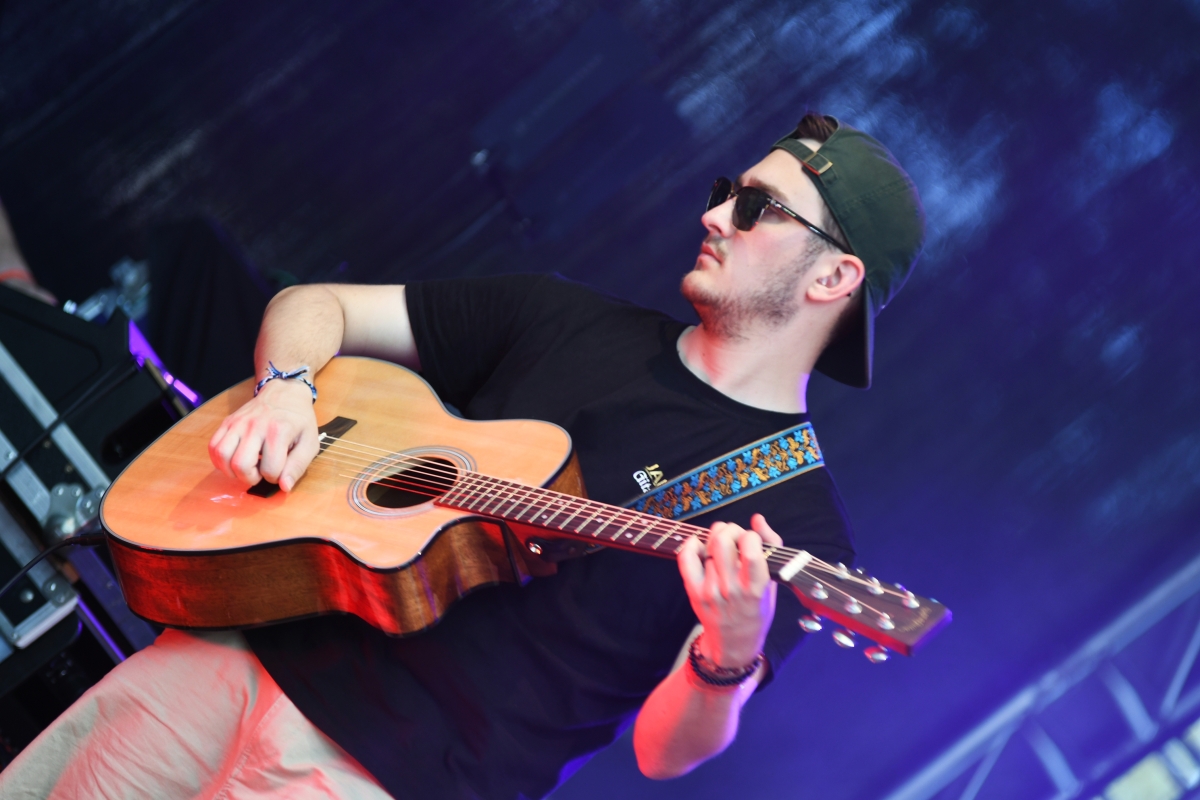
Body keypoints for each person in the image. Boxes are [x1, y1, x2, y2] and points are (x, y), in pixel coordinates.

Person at [0, 112, 924, 799]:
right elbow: (316, 306)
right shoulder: (565, 317)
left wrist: (726, 653)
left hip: (390, 780)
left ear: (833, 275)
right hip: (238, 650)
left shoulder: (795, 529)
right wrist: (286, 388)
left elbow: (663, 751)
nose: (715, 214)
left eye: (755, 208)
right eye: (728, 190)